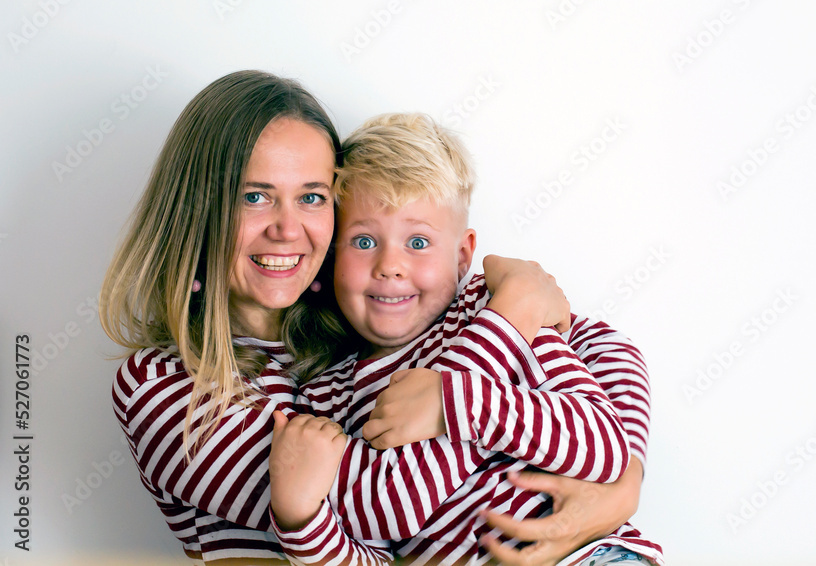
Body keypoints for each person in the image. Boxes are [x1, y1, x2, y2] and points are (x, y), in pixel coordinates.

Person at [100, 71, 651, 565]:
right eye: (255, 196)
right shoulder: (164, 385)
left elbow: (605, 347)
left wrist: (621, 482)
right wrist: (506, 325)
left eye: (312, 197)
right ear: (199, 207)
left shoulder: (365, 326)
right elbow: (384, 505)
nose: (288, 230)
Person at [267, 113, 662, 565]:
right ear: (331, 255)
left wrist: (453, 401)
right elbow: (379, 525)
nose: (390, 265)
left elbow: (603, 445)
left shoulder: (492, 313)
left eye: (418, 243)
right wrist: (303, 525)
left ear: (462, 257)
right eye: (363, 242)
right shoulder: (326, 398)